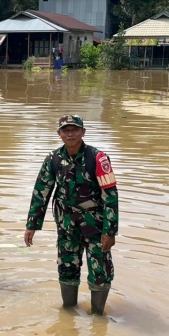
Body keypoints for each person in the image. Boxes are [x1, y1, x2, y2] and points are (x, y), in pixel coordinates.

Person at [23, 115, 118, 315]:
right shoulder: (53, 159)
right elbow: (41, 191)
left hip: (96, 227)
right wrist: (32, 224)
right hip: (66, 226)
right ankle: (68, 315)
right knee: (67, 268)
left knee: (100, 271)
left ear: (83, 132)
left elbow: (110, 196)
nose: (71, 134)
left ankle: (98, 317)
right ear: (59, 134)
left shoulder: (98, 158)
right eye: (66, 130)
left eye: (75, 130)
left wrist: (110, 232)